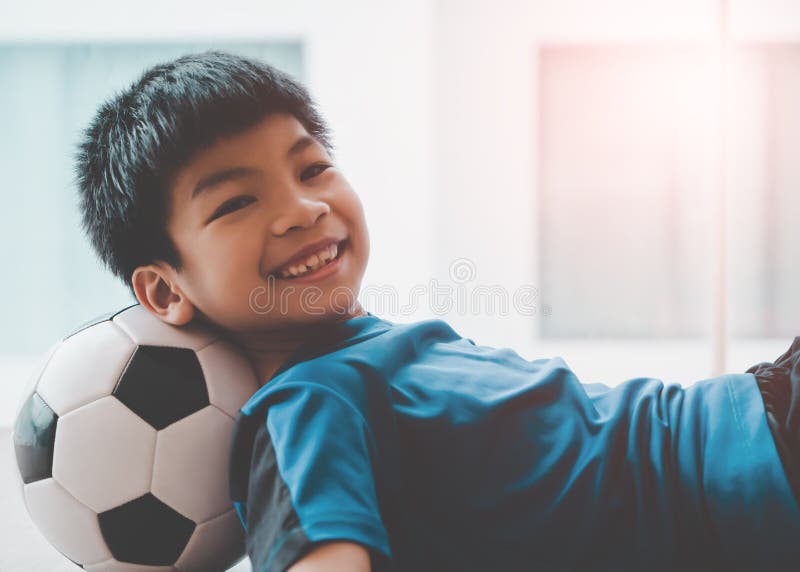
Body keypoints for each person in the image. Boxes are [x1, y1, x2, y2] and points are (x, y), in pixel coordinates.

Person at [74, 50, 800, 571]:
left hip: (752, 419)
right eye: (236, 202)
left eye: (313, 167)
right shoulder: (303, 405)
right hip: (746, 475)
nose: (302, 209)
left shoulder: (379, 349)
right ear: (166, 290)